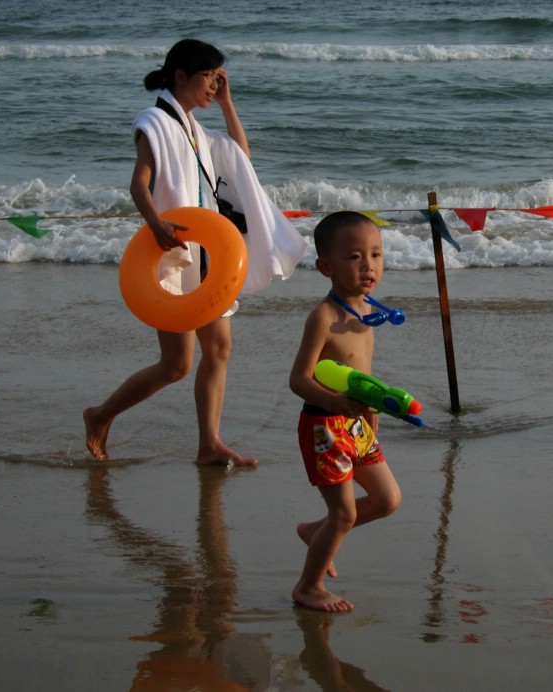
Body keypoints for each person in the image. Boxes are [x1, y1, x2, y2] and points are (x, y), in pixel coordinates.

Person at [85, 39, 306, 466]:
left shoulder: (195, 129)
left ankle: (209, 443)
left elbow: (241, 158)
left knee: (219, 348)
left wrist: (228, 104)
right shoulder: (154, 120)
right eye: (209, 77)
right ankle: (100, 414)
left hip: (207, 256)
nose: (214, 85)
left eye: (219, 78)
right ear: (181, 76)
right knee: (176, 364)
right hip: (171, 253)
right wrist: (155, 222)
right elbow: (140, 181)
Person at [288, 211, 403, 612]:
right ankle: (308, 586)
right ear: (325, 266)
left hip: (357, 424)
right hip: (324, 424)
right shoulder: (324, 317)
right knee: (344, 513)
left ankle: (314, 532)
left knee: (387, 499)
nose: (368, 265)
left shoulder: (368, 310)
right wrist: (336, 404)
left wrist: (372, 419)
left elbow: (363, 376)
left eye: (376, 254)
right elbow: (298, 379)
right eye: (354, 257)